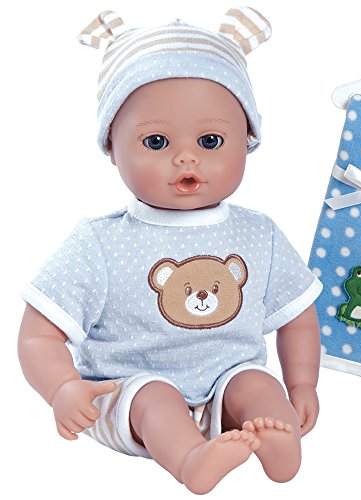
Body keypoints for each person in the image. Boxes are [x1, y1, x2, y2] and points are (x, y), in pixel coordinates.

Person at [17, 8, 322, 494]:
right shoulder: (100, 241)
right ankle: (191, 459)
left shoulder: (258, 233)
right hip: (127, 391)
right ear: (112, 146)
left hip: (225, 383)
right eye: (156, 141)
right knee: (155, 397)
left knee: (257, 385)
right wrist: (62, 388)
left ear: (247, 140)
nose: (186, 156)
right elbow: (39, 333)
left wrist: (302, 385)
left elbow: (298, 315)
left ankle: (277, 439)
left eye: (211, 140)